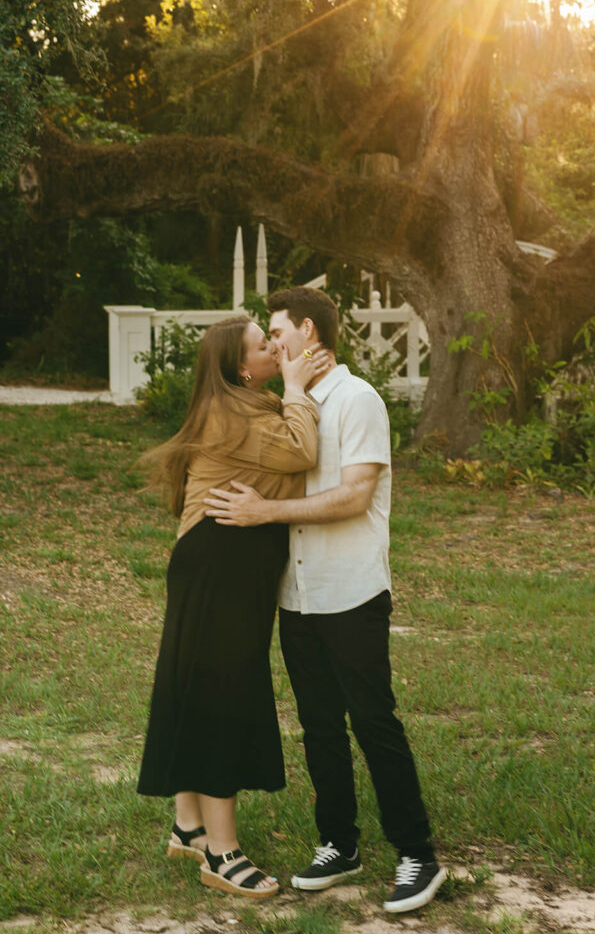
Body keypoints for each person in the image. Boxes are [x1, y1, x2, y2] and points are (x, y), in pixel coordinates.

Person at [204, 288, 446, 914]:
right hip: (298, 594)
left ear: (308, 331)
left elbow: (354, 496)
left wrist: (264, 513)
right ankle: (340, 843)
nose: (273, 344)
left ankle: (417, 852)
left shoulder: (357, 399)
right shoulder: (288, 402)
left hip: (351, 590)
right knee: (318, 728)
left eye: (278, 332)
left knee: (373, 721)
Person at [137, 315, 329, 900]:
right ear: (241, 366)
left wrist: (290, 392)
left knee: (197, 685)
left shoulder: (241, 403)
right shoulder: (235, 411)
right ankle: (222, 855)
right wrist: (297, 391)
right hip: (220, 562)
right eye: (262, 343)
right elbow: (301, 451)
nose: (275, 347)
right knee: (224, 693)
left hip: (220, 561)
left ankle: (189, 825)